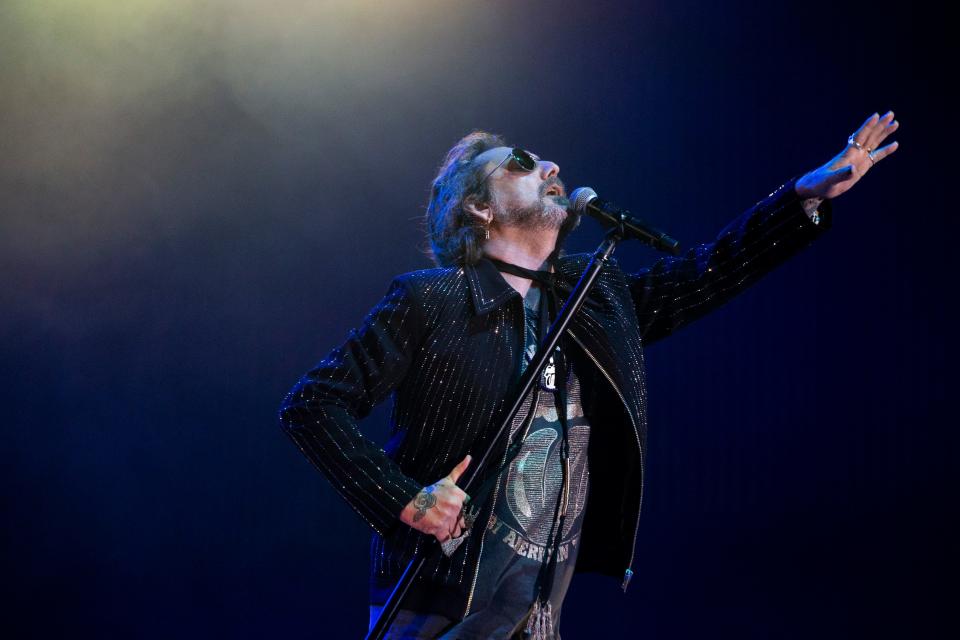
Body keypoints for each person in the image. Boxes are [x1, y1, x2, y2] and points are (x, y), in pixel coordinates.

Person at [278, 112, 899, 639]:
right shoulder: (430, 301)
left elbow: (704, 275)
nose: (550, 168)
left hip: (537, 610)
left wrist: (802, 199)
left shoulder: (595, 298)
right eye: (521, 162)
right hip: (438, 603)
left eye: (546, 161)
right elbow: (311, 406)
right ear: (478, 207)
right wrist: (404, 501)